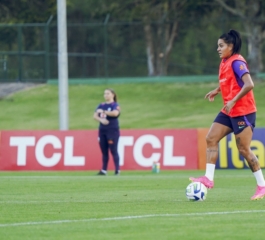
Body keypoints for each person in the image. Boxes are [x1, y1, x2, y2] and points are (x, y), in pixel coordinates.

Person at [190, 29, 265, 200]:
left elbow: (249, 84)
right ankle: (208, 179)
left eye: (221, 46)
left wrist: (232, 101)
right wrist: (218, 90)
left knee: (244, 150)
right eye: (218, 45)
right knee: (211, 138)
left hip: (243, 112)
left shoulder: (237, 62)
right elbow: (231, 81)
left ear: (231, 46)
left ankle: (262, 185)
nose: (218, 48)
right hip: (228, 110)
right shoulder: (224, 61)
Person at [93, 88, 121, 175]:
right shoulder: (101, 105)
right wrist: (101, 120)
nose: (106, 95)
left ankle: (117, 170)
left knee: (113, 150)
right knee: (104, 151)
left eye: (108, 93)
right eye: (105, 94)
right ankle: (104, 170)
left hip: (112, 130)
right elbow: (95, 116)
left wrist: (104, 112)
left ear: (113, 95)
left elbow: (115, 113)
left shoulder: (115, 105)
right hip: (102, 131)